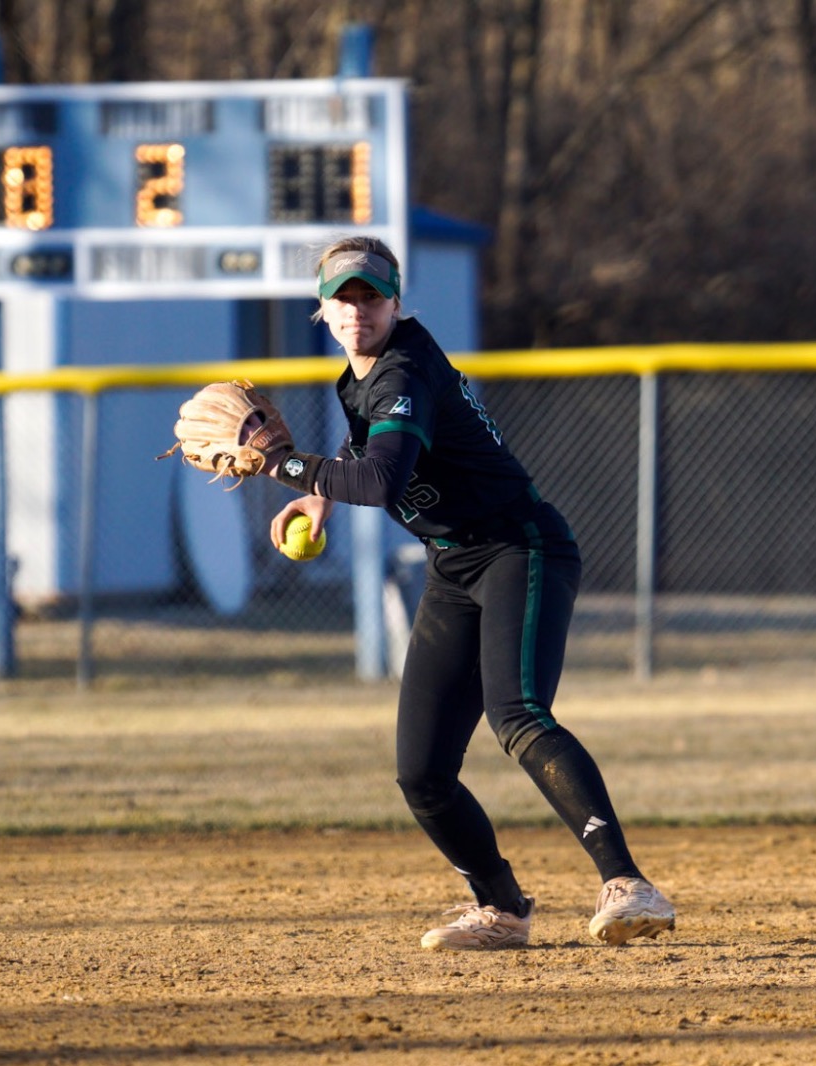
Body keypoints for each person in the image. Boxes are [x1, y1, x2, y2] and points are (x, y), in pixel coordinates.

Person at [258, 236, 676, 951]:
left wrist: (286, 466)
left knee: (518, 715)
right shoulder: (360, 381)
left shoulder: (404, 368)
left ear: (395, 302)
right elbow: (372, 456)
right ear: (322, 311)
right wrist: (322, 496)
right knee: (420, 771)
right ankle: (502, 908)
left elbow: (385, 482)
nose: (357, 309)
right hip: (453, 565)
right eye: (344, 297)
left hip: (520, 547)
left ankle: (628, 883)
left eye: (371, 296)